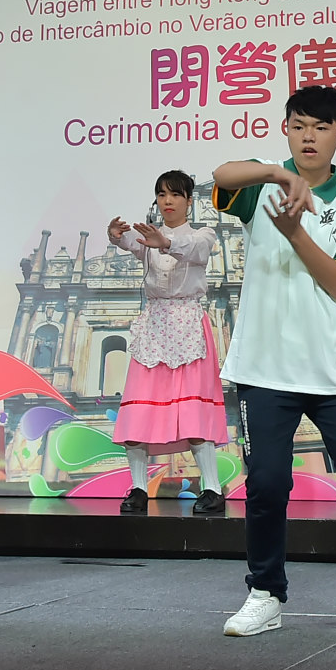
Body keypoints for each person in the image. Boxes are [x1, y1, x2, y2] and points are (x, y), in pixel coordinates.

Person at [211, 84, 336, 641]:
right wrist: (275, 176)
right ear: (285, 129)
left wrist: (296, 233)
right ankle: (265, 592)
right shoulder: (261, 188)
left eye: (321, 127)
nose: (309, 137)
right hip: (263, 368)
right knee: (266, 484)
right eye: (299, 125)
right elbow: (222, 174)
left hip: (334, 370)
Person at [106, 170, 227, 516]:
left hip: (188, 324)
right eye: (162, 194)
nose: (168, 201)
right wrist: (114, 236)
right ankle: (138, 488)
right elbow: (128, 242)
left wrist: (166, 242)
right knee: (138, 408)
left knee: (193, 411)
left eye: (175, 195)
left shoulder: (202, 234)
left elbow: (196, 250)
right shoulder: (147, 236)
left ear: (189, 200)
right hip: (154, 326)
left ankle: (212, 489)